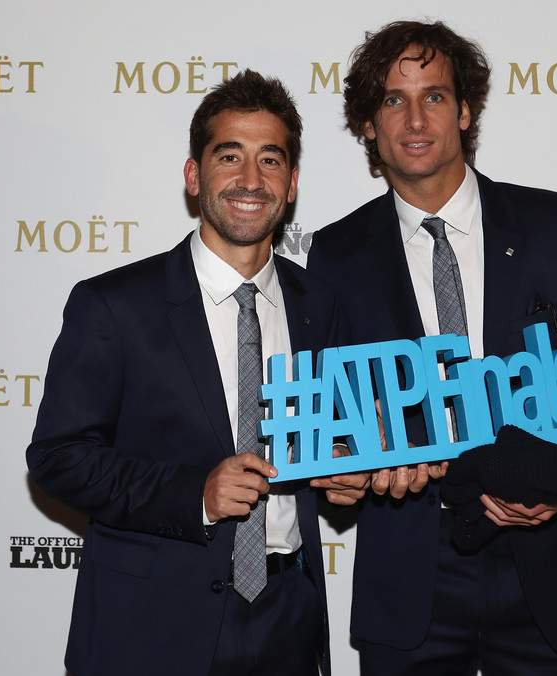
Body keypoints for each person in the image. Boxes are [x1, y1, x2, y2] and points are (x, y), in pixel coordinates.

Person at [305, 20, 557, 675]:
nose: (415, 119)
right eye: (393, 99)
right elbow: (335, 416)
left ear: (464, 111)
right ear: (369, 125)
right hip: (410, 571)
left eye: (433, 96)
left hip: (549, 562)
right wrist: (342, 472)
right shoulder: (336, 256)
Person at [27, 70, 337, 676]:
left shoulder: (318, 304)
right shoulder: (114, 305)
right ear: (194, 176)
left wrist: (348, 471)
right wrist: (194, 494)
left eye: (270, 160)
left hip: (290, 622)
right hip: (151, 626)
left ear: (292, 183)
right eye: (230, 156)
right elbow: (58, 458)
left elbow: (322, 443)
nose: (251, 180)